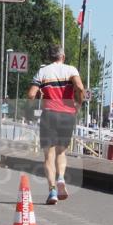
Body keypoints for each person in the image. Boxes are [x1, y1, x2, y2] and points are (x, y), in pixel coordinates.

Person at [27, 44, 85, 204]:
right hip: (68, 115)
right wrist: (78, 105)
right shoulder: (71, 70)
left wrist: (34, 103)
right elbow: (80, 87)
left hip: (49, 115)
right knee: (61, 153)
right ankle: (61, 178)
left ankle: (52, 191)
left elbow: (31, 94)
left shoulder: (43, 71)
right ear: (63, 57)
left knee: (48, 156)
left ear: (50, 57)